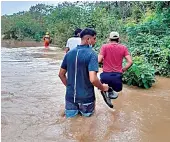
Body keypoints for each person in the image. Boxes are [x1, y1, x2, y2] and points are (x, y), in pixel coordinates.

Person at [58, 28, 109, 118]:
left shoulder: (69, 54)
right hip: (86, 99)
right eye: (94, 38)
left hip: (70, 98)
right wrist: (103, 87)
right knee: (88, 125)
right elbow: (93, 79)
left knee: (71, 124)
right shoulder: (92, 54)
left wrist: (70, 87)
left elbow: (61, 74)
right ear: (88, 39)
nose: (95, 41)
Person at [98, 31, 133, 107]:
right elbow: (130, 62)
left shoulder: (104, 47)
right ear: (118, 39)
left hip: (105, 76)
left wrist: (104, 62)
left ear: (109, 39)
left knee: (102, 84)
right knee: (118, 90)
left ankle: (106, 91)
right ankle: (109, 92)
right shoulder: (123, 48)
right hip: (117, 76)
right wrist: (123, 69)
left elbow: (99, 60)